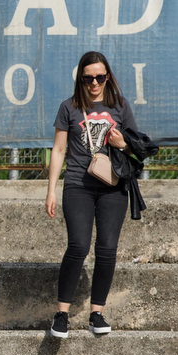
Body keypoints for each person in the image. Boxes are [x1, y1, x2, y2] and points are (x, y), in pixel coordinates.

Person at [45, 51, 137, 340]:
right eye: (88, 78)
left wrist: (122, 144)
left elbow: (137, 148)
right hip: (78, 185)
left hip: (113, 186)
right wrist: (51, 190)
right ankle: (62, 314)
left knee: (107, 249)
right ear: (80, 79)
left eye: (99, 77)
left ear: (107, 76)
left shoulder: (120, 106)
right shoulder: (68, 107)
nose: (94, 83)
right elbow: (59, 150)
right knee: (78, 246)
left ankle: (96, 313)